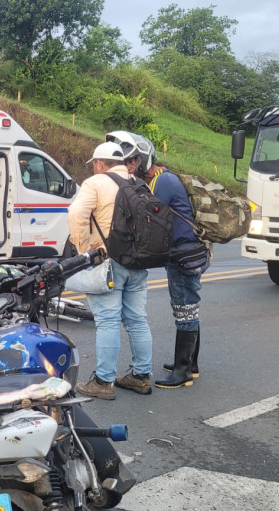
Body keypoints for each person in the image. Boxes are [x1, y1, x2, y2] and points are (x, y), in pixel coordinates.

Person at [107, 131, 208, 390]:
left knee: (185, 309)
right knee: (188, 307)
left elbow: (146, 217)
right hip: (185, 251)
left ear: (144, 159)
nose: (129, 166)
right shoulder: (162, 178)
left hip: (183, 254)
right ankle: (190, 364)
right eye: (126, 162)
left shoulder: (162, 182)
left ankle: (183, 372)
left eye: (132, 161)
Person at [68, 142, 154, 400]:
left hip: (107, 261)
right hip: (137, 261)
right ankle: (140, 376)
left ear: (99, 163)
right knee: (137, 320)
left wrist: (84, 248)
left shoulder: (95, 183)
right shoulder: (139, 183)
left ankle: (104, 381)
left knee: (107, 321)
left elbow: (76, 213)